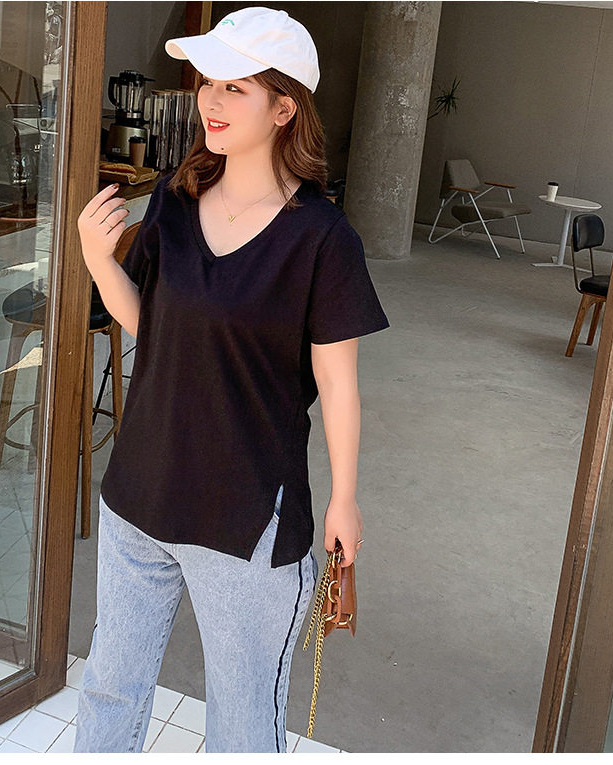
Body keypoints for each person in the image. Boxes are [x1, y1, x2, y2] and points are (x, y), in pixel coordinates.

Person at [73, 6, 389, 753]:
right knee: (110, 687)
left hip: (246, 519)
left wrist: (344, 497)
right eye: (207, 82)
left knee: (242, 727)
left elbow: (338, 383)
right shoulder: (177, 200)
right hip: (139, 496)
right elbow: (155, 330)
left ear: (284, 108)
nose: (210, 101)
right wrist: (96, 260)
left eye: (235, 87)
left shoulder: (323, 240)